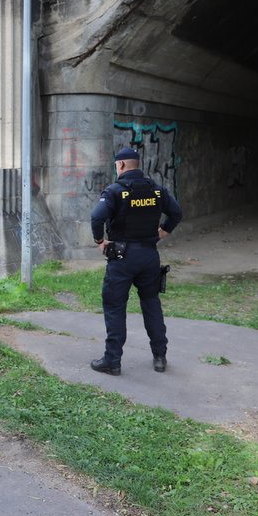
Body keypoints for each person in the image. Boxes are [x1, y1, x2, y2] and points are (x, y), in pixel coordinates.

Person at [90, 148, 182, 375]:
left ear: (120, 166)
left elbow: (96, 216)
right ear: (137, 165)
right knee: (151, 303)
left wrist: (100, 241)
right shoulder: (157, 191)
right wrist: (163, 231)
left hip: (122, 257)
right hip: (149, 256)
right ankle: (160, 357)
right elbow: (176, 213)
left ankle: (112, 361)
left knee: (115, 306)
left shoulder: (114, 191)